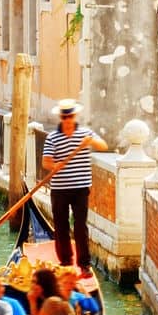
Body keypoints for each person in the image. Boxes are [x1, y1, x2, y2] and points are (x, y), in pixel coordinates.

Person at [41, 98, 108, 276]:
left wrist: (90, 142)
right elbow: (45, 162)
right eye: (64, 116)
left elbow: (103, 146)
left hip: (81, 188)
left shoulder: (85, 133)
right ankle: (65, 262)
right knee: (61, 226)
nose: (68, 119)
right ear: (61, 118)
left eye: (70, 115)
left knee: (80, 226)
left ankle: (84, 265)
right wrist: (54, 165)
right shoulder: (52, 137)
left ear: (74, 115)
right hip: (59, 189)